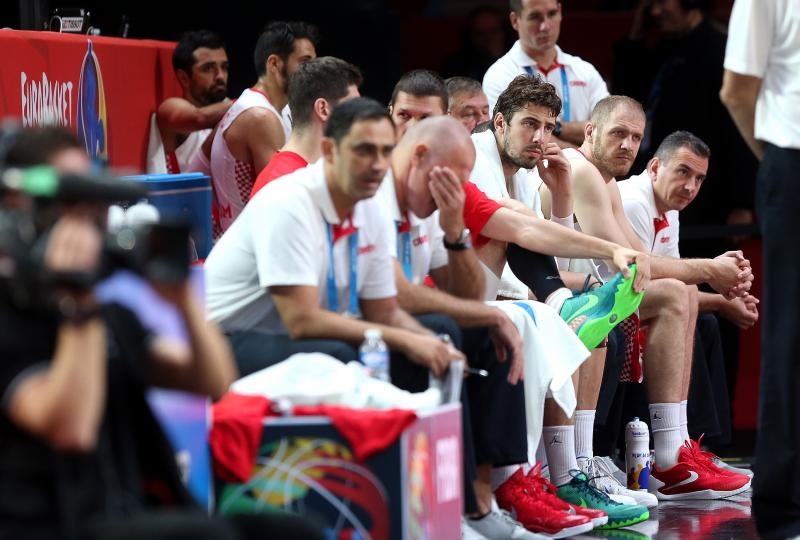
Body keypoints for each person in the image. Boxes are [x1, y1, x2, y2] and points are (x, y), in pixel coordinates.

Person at [0, 126, 323, 540]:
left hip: (128, 513)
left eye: (90, 205)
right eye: (67, 205)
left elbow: (213, 380)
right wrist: (77, 302)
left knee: (291, 533)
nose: (84, 222)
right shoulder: (13, 319)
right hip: (52, 523)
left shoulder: (111, 315)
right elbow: (71, 428)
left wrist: (181, 298)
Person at [540, 94, 752, 500]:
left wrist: (710, 273)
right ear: (591, 131)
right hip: (552, 287)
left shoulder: (606, 182)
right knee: (674, 295)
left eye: (636, 137)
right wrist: (711, 270)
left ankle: (674, 449)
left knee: (681, 294)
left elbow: (642, 263)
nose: (627, 145)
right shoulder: (583, 171)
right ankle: (658, 457)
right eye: (618, 133)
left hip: (574, 286)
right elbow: (635, 265)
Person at [618, 129, 759, 462]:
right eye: (683, 172)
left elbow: (677, 278)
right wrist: (717, 281)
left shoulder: (670, 210)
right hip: (607, 301)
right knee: (687, 305)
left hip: (638, 299)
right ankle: (670, 449)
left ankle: (693, 443)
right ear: (654, 168)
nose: (691, 186)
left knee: (699, 313)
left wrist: (726, 293)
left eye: (699, 178)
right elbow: (643, 278)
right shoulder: (634, 201)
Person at [720, 1, 800, 536]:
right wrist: (775, 162)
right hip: (793, 158)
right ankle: (785, 505)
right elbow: (737, 89)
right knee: (790, 336)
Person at [612, 0, 758, 260]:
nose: (655, 11)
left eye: (662, 2)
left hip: (708, 201)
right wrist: (635, 36)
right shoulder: (662, 47)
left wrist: (742, 201)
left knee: (699, 280)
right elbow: (625, 101)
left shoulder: (719, 49)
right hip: (660, 184)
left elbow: (737, 127)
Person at [209, 20, 317, 236]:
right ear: (274, 64)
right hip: (245, 254)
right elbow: (283, 201)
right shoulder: (259, 116)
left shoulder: (279, 109)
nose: (313, 72)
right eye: (305, 62)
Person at [482, 0, 609, 147]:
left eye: (552, 14)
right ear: (515, 20)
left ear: (560, 12)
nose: (545, 26)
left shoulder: (585, 71)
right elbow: (512, 139)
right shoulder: (500, 74)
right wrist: (584, 156)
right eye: (535, 17)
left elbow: (607, 131)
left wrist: (558, 128)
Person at [250, 56, 362, 198]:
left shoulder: (312, 173)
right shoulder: (280, 185)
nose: (360, 117)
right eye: (353, 106)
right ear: (323, 109)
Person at [146, 30, 231, 175]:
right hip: (178, 197)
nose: (220, 76)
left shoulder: (231, 107)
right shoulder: (170, 109)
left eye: (224, 67)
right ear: (184, 77)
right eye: (208, 68)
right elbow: (200, 118)